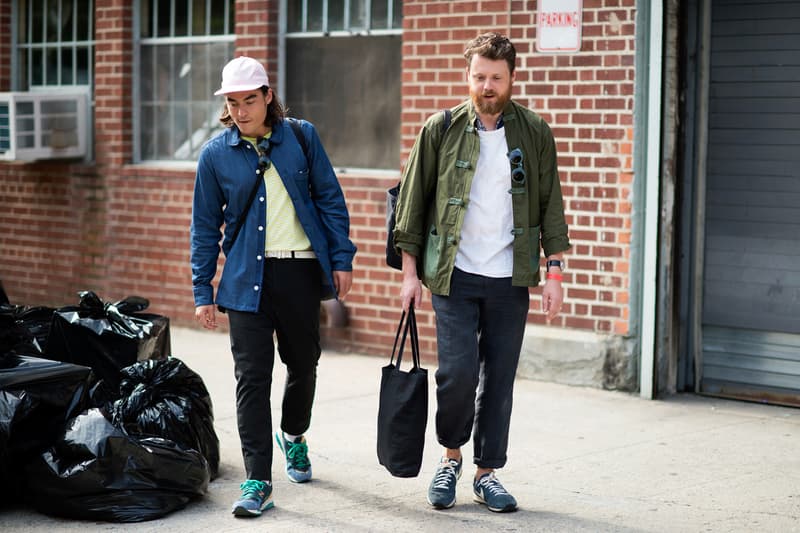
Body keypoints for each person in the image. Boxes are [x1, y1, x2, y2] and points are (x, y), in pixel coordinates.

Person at [393, 32, 570, 513]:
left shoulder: (534, 132)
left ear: (511, 78)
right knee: (457, 374)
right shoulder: (440, 128)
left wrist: (554, 274)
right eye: (479, 77)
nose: (487, 86)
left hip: (510, 278)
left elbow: (551, 204)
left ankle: (486, 472)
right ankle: (450, 458)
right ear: (467, 76)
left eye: (496, 78)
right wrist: (409, 275)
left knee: (499, 380)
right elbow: (410, 207)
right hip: (454, 274)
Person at [190, 56, 356, 518]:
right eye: (232, 102)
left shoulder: (301, 137)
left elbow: (330, 198)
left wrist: (341, 259)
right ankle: (258, 480)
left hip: (299, 273)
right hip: (246, 280)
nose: (241, 111)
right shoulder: (215, 155)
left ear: (268, 96)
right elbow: (204, 227)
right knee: (252, 379)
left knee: (304, 364)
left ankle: (294, 434)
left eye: (250, 100)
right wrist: (203, 290)